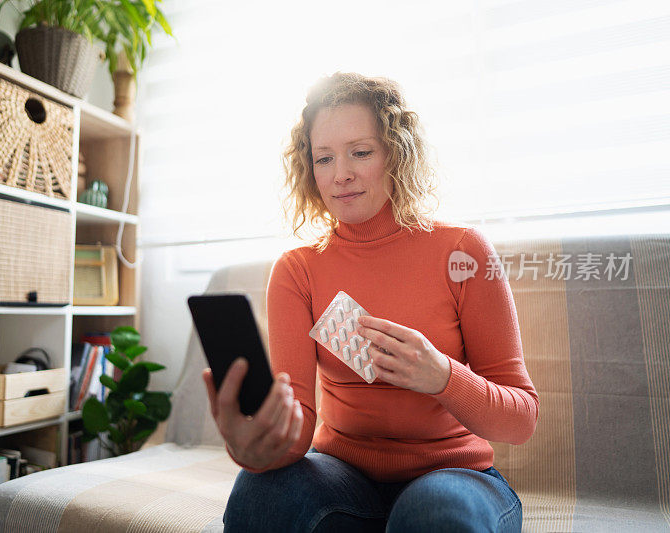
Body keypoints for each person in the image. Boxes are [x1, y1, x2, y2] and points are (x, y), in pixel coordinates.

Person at [202, 72, 539, 532]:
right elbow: (299, 427)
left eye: (360, 152)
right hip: (342, 478)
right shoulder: (298, 271)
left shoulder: (464, 251)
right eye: (324, 158)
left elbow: (521, 418)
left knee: (431, 514)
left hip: (453, 475)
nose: (340, 174)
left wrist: (441, 376)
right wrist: (255, 446)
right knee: (258, 493)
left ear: (396, 154)